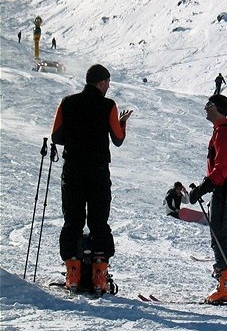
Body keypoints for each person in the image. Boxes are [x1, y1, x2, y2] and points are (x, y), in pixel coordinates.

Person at [51, 64, 133, 293]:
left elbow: (56, 136)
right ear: (103, 82)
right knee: (98, 221)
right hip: (97, 170)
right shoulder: (108, 105)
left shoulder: (67, 102)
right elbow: (117, 138)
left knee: (73, 221)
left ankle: (73, 273)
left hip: (73, 169)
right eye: (108, 83)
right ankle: (99, 275)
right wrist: (123, 122)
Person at [189, 94, 227, 303]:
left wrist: (202, 189)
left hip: (226, 193)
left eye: (209, 105)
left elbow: (221, 169)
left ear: (218, 108)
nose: (205, 108)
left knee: (221, 239)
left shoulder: (223, 134)